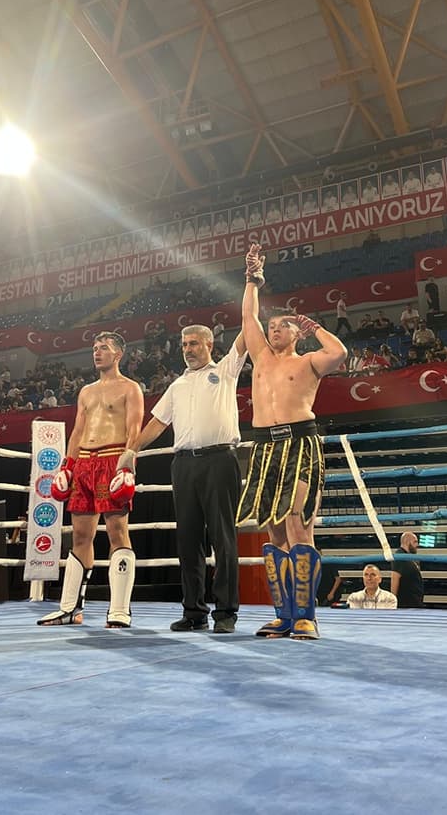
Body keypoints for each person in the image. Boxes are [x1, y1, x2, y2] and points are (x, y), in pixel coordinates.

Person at [236, 243, 347, 639]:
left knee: (299, 526)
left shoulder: (309, 361)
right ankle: (284, 614)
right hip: (264, 447)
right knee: (275, 532)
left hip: (299, 444)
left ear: (297, 333)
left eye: (283, 326)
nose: (274, 330)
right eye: (273, 326)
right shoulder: (261, 358)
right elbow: (248, 317)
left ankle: (306, 616)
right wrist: (253, 279)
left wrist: (314, 326)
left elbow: (339, 351)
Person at [115, 325, 247, 634]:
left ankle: (225, 612)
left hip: (219, 460)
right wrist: (131, 450)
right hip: (184, 465)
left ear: (209, 344)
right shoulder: (177, 385)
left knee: (223, 539)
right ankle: (194, 612)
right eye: (184, 344)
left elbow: (245, 335)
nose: (188, 349)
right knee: (188, 540)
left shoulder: (226, 370)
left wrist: (252, 297)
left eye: (194, 343)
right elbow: (158, 422)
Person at [38, 332, 144, 628]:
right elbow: (77, 431)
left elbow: (134, 429)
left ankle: (119, 609)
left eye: (104, 348)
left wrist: (127, 464)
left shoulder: (130, 388)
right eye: (95, 348)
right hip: (84, 462)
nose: (97, 353)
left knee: (117, 532)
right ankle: (70, 608)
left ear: (118, 354)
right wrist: (67, 466)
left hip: (113, 459)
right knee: (80, 536)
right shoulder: (86, 391)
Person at [390, 531, 424, 608]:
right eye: (415, 542)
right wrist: (392, 603)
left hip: (414, 603)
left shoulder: (409, 557)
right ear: (407, 542)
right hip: (406, 604)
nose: (417, 545)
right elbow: (395, 578)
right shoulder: (399, 556)